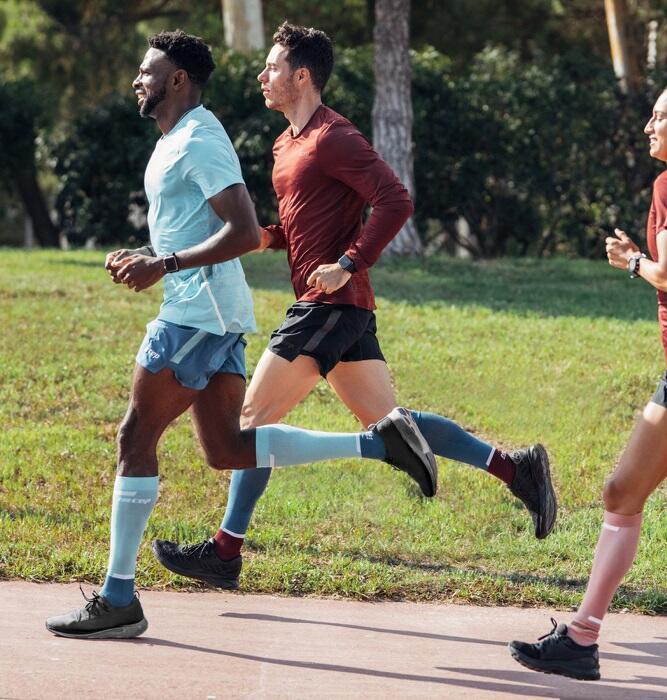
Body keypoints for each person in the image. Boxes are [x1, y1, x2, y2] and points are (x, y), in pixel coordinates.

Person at [45, 29, 441, 641]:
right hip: (209, 308)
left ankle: (118, 597)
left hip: (196, 311)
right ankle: (379, 446)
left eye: (148, 71)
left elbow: (238, 230)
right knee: (228, 449)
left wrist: (164, 265)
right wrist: (153, 253)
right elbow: (229, 229)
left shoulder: (201, 140)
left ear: (178, 80)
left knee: (135, 433)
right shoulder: (176, 139)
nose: (138, 80)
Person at [152, 22, 558, 590]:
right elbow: (303, 226)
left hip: (329, 305)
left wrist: (349, 261)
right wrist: (263, 237)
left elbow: (395, 200)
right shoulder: (285, 144)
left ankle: (225, 551)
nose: (261, 75)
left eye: (271, 67)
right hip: (344, 310)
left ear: (301, 76)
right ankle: (517, 469)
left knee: (251, 423)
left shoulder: (333, 137)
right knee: (395, 426)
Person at [509, 78, 667, 682]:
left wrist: (633, 262)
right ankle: (581, 639)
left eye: (659, 116)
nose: (649, 126)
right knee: (621, 492)